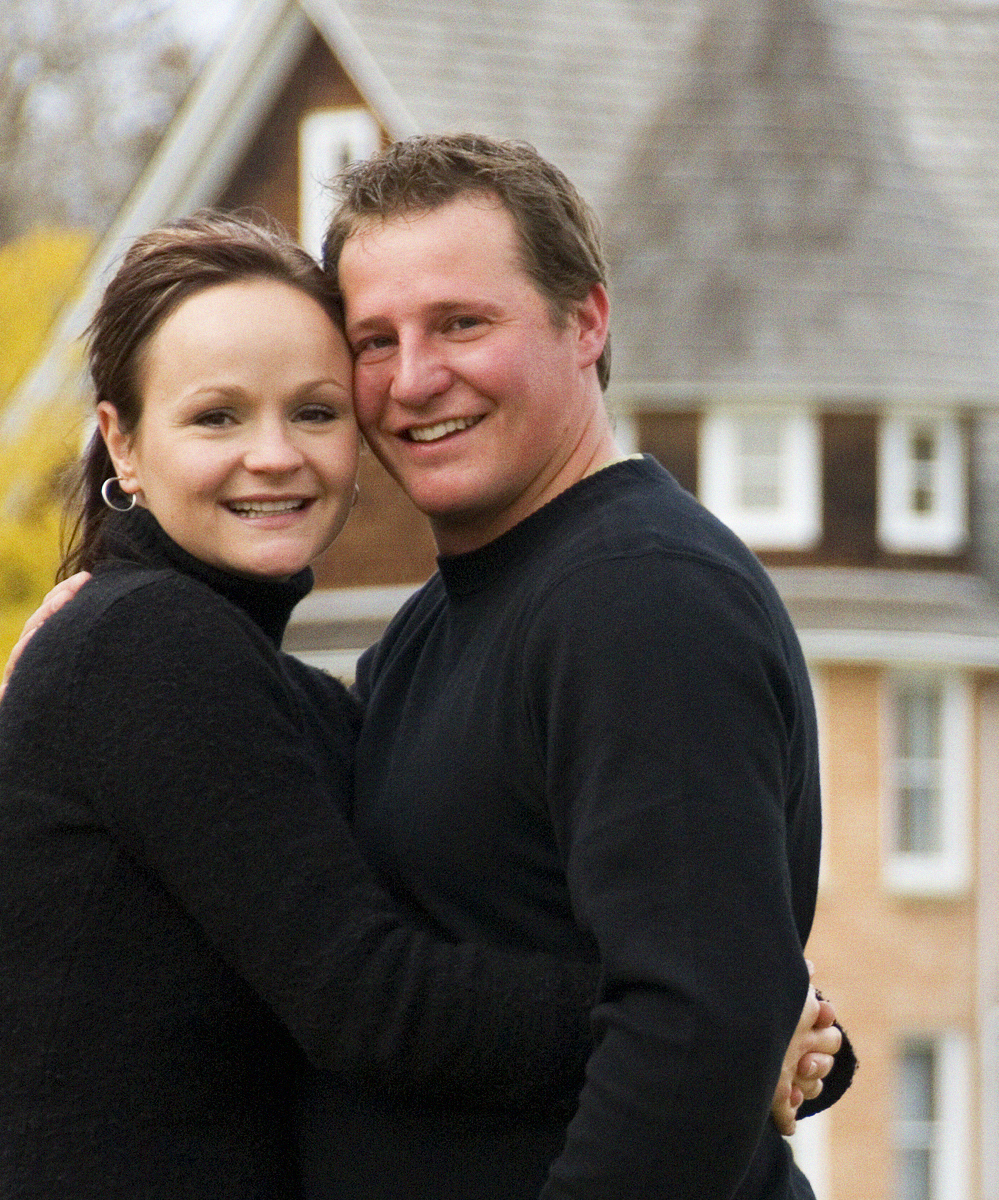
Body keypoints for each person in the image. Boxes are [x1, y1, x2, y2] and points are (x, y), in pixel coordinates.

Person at [0, 214, 835, 1199]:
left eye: (314, 413)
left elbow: (466, 920)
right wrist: (714, 1014)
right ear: (123, 442)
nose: (274, 455)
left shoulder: (302, 692)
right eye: (216, 418)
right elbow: (370, 999)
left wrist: (742, 1015)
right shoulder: (150, 647)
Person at [301, 134, 844, 1200]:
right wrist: (126, 613)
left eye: (462, 323)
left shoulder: (643, 599)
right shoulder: (439, 627)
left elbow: (697, 1027)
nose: (415, 378)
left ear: (586, 321)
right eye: (375, 340)